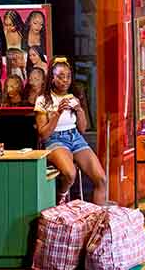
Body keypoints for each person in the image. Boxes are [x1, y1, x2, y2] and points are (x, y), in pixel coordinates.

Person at [35, 59, 108, 205]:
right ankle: (61, 195)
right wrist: (57, 113)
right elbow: (43, 134)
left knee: (101, 179)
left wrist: (79, 109)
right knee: (70, 174)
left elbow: (82, 129)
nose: (65, 80)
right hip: (55, 140)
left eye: (68, 76)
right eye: (61, 76)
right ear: (52, 78)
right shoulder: (43, 100)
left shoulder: (73, 97)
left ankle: (98, 222)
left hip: (75, 137)